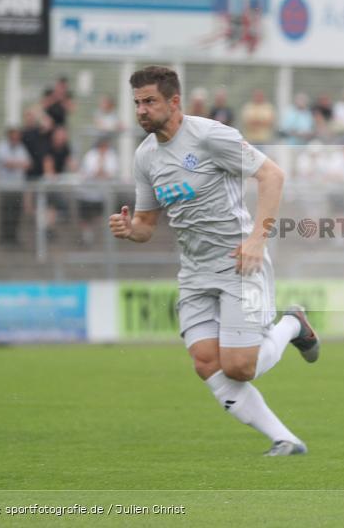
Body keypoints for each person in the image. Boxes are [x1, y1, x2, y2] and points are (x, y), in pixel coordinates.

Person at [108, 66, 320, 456]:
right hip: (194, 273)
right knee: (206, 361)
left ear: (174, 102)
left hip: (238, 262)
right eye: (137, 102)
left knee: (240, 366)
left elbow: (272, 175)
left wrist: (258, 238)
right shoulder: (145, 157)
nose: (141, 110)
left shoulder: (209, 136)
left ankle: (293, 324)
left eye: (150, 101)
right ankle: (285, 439)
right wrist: (128, 229)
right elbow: (146, 226)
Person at [0, 128, 31, 246]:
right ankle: (5, 238)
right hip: (6, 187)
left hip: (18, 187)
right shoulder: (1, 147)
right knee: (6, 213)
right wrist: (19, 164)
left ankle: (13, 237)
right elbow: (7, 163)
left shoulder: (21, 148)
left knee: (16, 213)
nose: (16, 138)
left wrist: (15, 164)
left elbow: (28, 163)